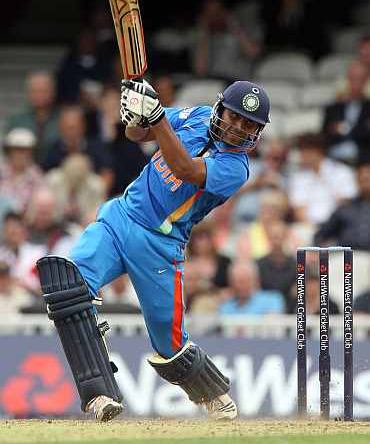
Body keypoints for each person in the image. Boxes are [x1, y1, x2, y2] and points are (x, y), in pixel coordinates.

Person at [36, 78, 271, 422]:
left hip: (160, 244)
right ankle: (99, 394)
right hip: (121, 216)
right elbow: (140, 136)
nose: (238, 127)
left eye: (248, 124)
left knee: (171, 347)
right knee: (68, 287)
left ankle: (212, 392)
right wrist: (136, 118)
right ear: (220, 108)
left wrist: (157, 116)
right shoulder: (198, 115)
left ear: (257, 131)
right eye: (234, 116)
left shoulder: (236, 168)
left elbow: (185, 169)